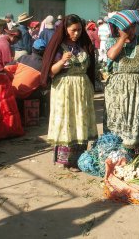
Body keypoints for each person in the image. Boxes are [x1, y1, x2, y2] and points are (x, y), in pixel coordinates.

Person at [40, 14, 97, 168]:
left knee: (80, 120)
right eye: (73, 30)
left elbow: (91, 68)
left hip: (82, 88)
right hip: (64, 89)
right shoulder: (58, 47)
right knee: (66, 120)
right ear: (65, 30)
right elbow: (50, 72)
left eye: (79, 30)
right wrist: (62, 60)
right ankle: (65, 160)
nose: (76, 33)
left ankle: (80, 158)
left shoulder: (84, 45)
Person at [104, 10, 139, 154]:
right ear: (118, 28)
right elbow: (111, 55)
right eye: (127, 27)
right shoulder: (111, 41)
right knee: (119, 117)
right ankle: (118, 152)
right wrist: (122, 39)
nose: (130, 30)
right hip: (118, 90)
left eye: (132, 27)